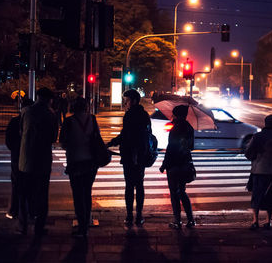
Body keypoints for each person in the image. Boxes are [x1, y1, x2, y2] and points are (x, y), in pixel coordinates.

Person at [107, 89, 150, 227]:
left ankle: (129, 215)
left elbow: (125, 135)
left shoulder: (130, 115)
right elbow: (147, 135)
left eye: (127, 100)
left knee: (129, 186)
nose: (125, 103)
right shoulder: (144, 115)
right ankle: (139, 215)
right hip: (141, 155)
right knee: (139, 185)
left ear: (134, 100)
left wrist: (111, 143)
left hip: (129, 155)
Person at [18, 87, 58, 235]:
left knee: (24, 194)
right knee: (42, 194)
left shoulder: (26, 112)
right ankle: (39, 227)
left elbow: (21, 132)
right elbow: (54, 138)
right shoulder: (51, 115)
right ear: (49, 100)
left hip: (25, 160)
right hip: (43, 160)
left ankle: (23, 226)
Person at [59, 97, 98, 237]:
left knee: (77, 194)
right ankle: (86, 222)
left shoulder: (69, 121)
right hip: (91, 162)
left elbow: (62, 142)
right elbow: (97, 138)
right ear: (86, 107)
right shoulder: (92, 119)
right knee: (87, 193)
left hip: (75, 162)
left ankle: (81, 226)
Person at [159, 105, 196, 229]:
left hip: (174, 165)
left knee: (174, 194)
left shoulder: (176, 129)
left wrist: (164, 165)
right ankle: (190, 219)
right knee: (182, 192)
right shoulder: (189, 128)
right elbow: (191, 146)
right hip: (185, 163)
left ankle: (177, 220)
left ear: (177, 115)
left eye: (173, 114)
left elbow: (171, 148)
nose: (172, 116)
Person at [245, 115, 272, 230]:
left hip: (258, 169)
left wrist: (255, 155)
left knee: (256, 195)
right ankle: (268, 220)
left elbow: (248, 153)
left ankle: (255, 220)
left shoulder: (257, 137)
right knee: (270, 197)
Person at [5, 98, 34, 220]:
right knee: (30, 185)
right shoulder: (33, 122)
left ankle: (14, 210)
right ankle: (30, 212)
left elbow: (8, 141)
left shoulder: (14, 121)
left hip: (16, 157)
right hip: (30, 158)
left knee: (17, 184)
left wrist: (15, 150)